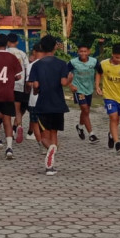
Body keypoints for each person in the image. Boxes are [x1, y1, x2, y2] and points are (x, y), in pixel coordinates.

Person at [27, 35, 72, 176]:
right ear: (54, 47)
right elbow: (64, 83)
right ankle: (51, 163)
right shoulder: (61, 64)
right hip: (58, 104)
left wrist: (35, 89)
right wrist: (70, 78)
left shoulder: (37, 65)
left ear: (41, 47)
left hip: (43, 104)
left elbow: (35, 86)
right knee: (54, 132)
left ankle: (50, 150)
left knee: (44, 135)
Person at [95, 44, 120, 153]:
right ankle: (118, 143)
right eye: (117, 57)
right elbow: (98, 73)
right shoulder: (103, 64)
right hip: (109, 96)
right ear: (112, 54)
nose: (119, 60)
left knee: (116, 120)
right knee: (113, 117)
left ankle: (111, 134)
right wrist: (97, 86)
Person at [67, 44, 100, 143]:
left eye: (85, 51)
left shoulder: (94, 61)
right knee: (85, 109)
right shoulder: (73, 62)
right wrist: (70, 85)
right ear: (78, 52)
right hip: (78, 89)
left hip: (89, 89)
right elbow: (65, 73)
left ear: (89, 52)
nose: (83, 53)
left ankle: (80, 126)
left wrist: (97, 85)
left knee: (86, 111)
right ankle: (92, 134)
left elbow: (100, 72)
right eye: (81, 51)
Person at [5, 32, 30, 142]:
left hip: (6, 85)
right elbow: (27, 70)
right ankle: (18, 126)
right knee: (18, 109)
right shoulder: (22, 54)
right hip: (19, 84)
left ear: (7, 42)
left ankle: (10, 132)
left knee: (6, 112)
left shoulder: (3, 53)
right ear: (17, 42)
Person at [24, 43, 44, 146]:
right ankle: (48, 141)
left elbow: (29, 83)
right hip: (48, 98)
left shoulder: (31, 65)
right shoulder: (49, 63)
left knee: (35, 122)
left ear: (34, 52)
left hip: (34, 98)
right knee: (46, 122)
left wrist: (27, 89)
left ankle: (40, 143)